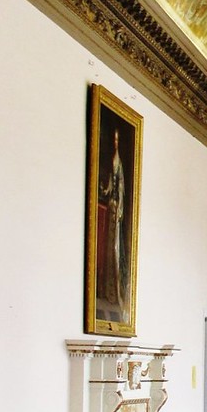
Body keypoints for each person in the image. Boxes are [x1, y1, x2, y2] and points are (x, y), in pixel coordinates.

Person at [99, 129, 126, 307]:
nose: (115, 143)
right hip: (111, 210)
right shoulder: (112, 162)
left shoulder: (118, 164)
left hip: (114, 211)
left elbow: (118, 188)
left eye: (117, 140)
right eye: (113, 140)